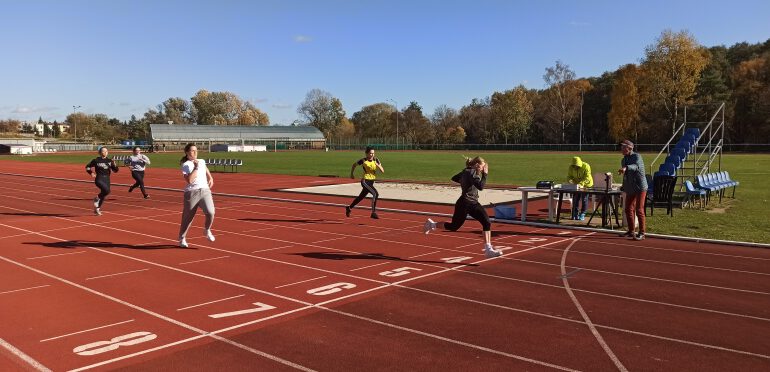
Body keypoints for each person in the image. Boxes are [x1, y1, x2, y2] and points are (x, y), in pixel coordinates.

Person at [423, 156, 502, 258]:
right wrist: (485, 174)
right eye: (482, 167)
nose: (483, 169)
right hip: (464, 204)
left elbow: (454, 178)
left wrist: (465, 180)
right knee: (454, 226)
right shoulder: (472, 172)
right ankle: (432, 225)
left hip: (473, 203)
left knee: (486, 222)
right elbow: (481, 186)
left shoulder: (467, 172)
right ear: (477, 165)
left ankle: (488, 249)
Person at [178, 143, 216, 248]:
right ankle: (182, 238)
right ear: (186, 152)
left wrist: (210, 177)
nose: (194, 152)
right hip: (192, 192)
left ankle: (207, 230)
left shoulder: (202, 161)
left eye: (196, 150)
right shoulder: (186, 165)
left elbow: (205, 168)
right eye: (192, 150)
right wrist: (196, 167)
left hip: (205, 191)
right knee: (188, 218)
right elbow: (189, 180)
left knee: (211, 212)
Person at [618, 139, 648, 240]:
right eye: (621, 147)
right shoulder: (623, 160)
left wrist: (626, 168)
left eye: (623, 147)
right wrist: (623, 186)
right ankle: (631, 231)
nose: (621, 149)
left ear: (629, 148)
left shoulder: (637, 156)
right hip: (630, 187)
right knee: (628, 209)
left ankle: (642, 233)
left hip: (640, 187)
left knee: (639, 210)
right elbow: (626, 176)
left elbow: (636, 167)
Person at [345, 147, 384, 219]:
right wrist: (352, 174)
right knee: (375, 194)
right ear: (367, 154)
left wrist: (378, 165)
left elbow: (382, 170)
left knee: (360, 197)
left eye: (373, 153)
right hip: (365, 181)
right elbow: (354, 165)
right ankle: (373, 212)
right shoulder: (363, 160)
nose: (372, 154)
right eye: (370, 153)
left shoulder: (376, 160)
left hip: (371, 182)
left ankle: (349, 208)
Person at [85, 147, 119, 216]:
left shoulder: (110, 161)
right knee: (106, 191)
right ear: (100, 153)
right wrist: (91, 173)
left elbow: (116, 170)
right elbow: (87, 167)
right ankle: (97, 198)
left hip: (107, 179)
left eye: (106, 151)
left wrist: (115, 165)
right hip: (99, 178)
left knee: (105, 192)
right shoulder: (96, 160)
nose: (105, 152)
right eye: (103, 151)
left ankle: (97, 209)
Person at [567, 156, 593, 221]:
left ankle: (583, 213)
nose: (575, 167)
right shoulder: (571, 167)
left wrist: (581, 184)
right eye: (574, 166)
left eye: (577, 166)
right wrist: (570, 181)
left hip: (587, 185)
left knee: (584, 199)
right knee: (575, 199)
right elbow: (569, 176)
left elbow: (587, 177)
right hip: (576, 186)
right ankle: (575, 213)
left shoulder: (586, 166)